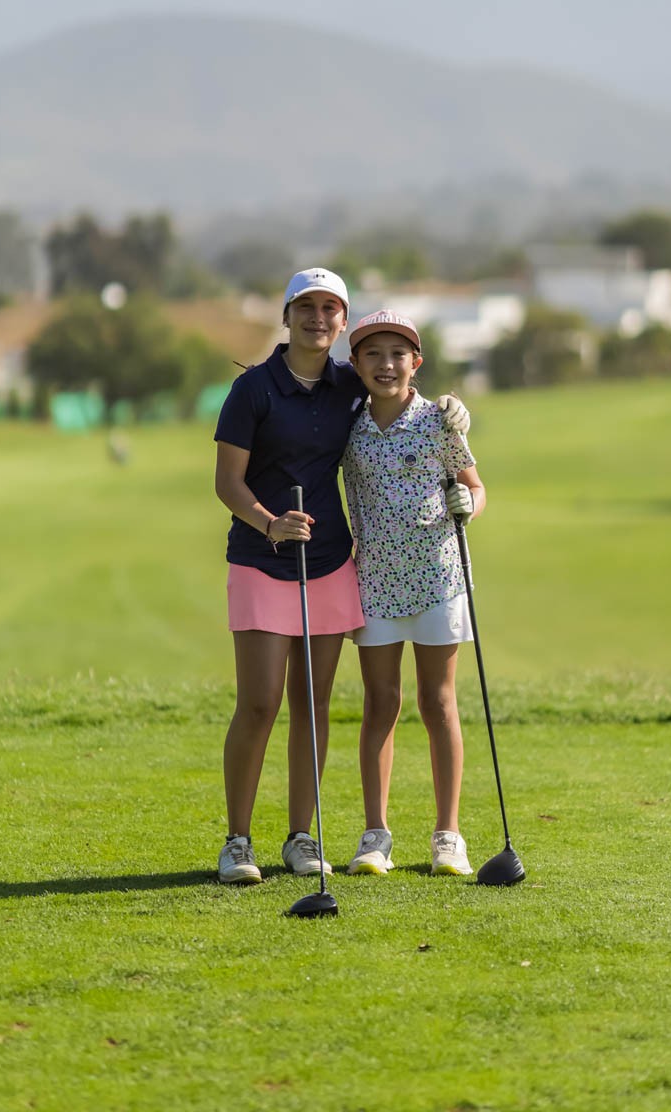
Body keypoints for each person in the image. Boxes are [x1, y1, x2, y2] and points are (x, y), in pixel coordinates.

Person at [213, 270, 470, 884]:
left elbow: (399, 387)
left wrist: (454, 408)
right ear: (287, 316)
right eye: (306, 307)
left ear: (342, 321)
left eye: (330, 309)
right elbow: (227, 482)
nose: (317, 318)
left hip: (329, 563)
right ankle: (237, 843)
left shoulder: (347, 383)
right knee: (259, 703)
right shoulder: (254, 389)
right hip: (261, 558)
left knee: (313, 703)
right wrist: (268, 523)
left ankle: (301, 837)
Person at [340, 310, 485, 878]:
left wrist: (469, 505)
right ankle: (375, 835)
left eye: (397, 354)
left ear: (416, 362)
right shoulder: (349, 425)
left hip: (438, 579)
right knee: (380, 704)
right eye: (373, 354)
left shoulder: (439, 422)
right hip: (374, 581)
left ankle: (449, 835)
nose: (386, 364)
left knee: (438, 702)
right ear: (356, 364)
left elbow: (474, 486)